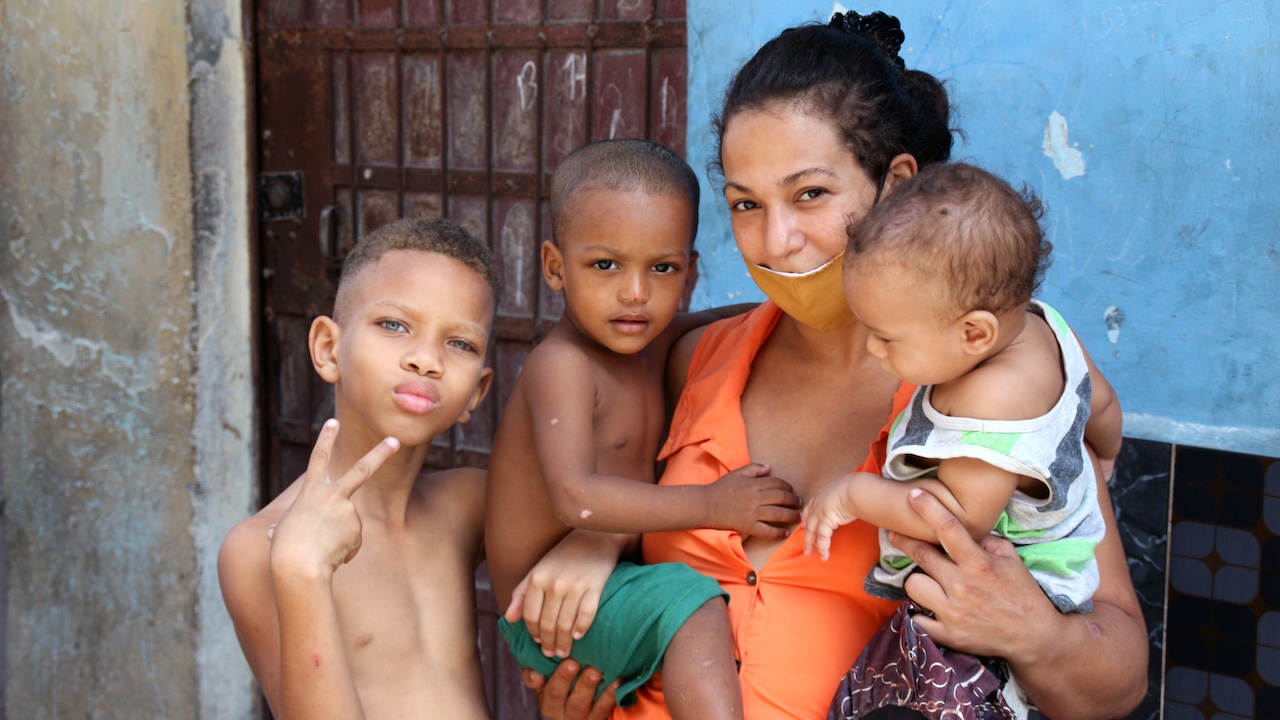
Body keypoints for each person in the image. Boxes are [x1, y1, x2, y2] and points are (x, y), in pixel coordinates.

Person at [522, 10, 1148, 720]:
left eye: (809, 194)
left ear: (896, 183)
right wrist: (594, 545)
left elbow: (1121, 677)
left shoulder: (990, 395)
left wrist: (1036, 635)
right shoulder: (691, 363)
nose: (775, 241)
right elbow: (616, 561)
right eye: (745, 204)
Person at [486, 138, 802, 719]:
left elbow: (751, 315)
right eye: (605, 265)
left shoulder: (653, 344)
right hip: (549, 608)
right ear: (556, 267)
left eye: (662, 268)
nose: (635, 293)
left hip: (612, 577)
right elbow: (576, 499)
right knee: (691, 605)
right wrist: (712, 504)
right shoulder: (564, 367)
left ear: (689, 273)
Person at [801, 162, 1123, 718]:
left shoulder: (991, 401)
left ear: (975, 332)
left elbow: (955, 520)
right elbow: (1105, 405)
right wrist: (1106, 456)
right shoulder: (1047, 326)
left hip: (1019, 590)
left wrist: (853, 494)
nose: (876, 351)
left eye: (886, 337)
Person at [218, 218, 502, 719]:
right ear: (329, 349)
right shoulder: (260, 547)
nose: (426, 359)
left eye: (460, 343)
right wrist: (302, 573)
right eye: (394, 325)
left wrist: (590, 550)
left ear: (475, 394)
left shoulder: (469, 506)